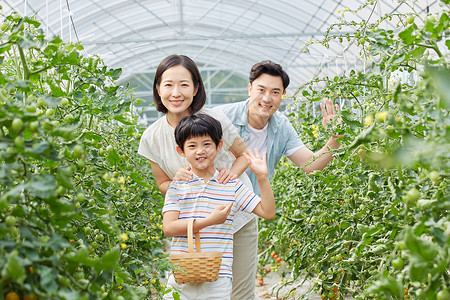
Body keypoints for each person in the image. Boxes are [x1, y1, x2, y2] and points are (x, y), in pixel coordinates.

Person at [138, 55, 257, 299]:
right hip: (194, 229)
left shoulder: (215, 120)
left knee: (239, 293)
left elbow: (244, 155)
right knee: (192, 291)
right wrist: (176, 181)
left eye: (184, 84)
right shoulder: (151, 137)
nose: (176, 92)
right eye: (168, 84)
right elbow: (162, 184)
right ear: (158, 89)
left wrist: (228, 177)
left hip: (235, 219)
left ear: (196, 88)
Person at [162, 114, 275, 300]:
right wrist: (209, 221)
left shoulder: (231, 185)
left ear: (219, 146)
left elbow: (267, 212)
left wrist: (262, 178)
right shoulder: (177, 185)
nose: (200, 151)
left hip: (218, 276)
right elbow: (169, 228)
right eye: (192, 146)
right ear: (180, 150)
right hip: (181, 274)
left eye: (207, 144)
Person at [214, 60, 341, 195]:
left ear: (283, 95)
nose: (267, 99)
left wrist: (336, 138)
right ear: (250, 89)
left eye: (275, 92)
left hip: (250, 207)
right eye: (261, 90)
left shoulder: (281, 127)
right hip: (211, 203)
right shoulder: (221, 117)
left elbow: (311, 165)